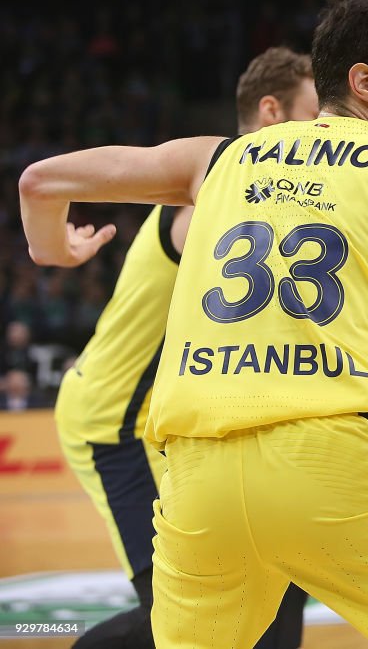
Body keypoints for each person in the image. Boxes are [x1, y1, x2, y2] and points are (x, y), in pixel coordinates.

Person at [20, 0, 368, 649]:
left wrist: (49, 246)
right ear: (366, 83)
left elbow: (39, 182)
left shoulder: (217, 160)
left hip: (197, 478)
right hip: (334, 467)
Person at [50, 46, 318, 649]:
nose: (323, 130)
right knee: (187, 611)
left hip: (174, 421)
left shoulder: (263, 191)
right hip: (115, 422)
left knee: (280, 573)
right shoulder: (216, 191)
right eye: (313, 114)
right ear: (271, 111)